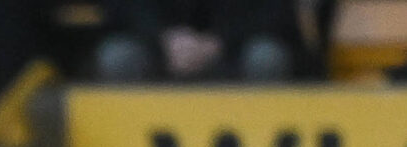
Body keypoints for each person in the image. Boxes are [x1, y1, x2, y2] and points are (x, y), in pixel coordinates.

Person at [94, 0, 295, 82]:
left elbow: (275, 10)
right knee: (117, 56)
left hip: (233, 50)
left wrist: (218, 42)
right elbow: (120, 6)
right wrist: (163, 38)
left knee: (267, 57)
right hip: (158, 47)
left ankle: (257, 135)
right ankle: (129, 142)